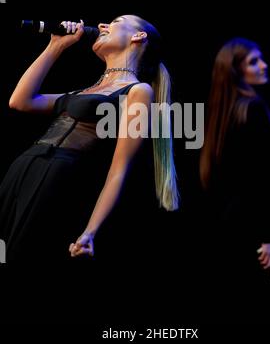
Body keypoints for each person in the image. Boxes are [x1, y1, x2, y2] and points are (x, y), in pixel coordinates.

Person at [0, 15, 179, 262]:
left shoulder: (138, 91)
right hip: (22, 170)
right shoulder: (84, 90)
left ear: (138, 36)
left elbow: (119, 169)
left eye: (116, 21)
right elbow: (20, 101)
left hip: (55, 178)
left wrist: (90, 232)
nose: (103, 25)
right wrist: (56, 46)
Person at [199, 38, 270, 303]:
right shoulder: (251, 110)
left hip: (233, 222)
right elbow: (258, 179)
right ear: (236, 71)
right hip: (254, 227)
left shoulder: (224, 113)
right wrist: (267, 237)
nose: (264, 65)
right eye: (253, 61)